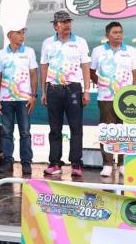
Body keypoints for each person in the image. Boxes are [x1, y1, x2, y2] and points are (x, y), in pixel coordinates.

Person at [40, 11, 91, 177]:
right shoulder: (47, 43)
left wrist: (86, 91)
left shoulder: (80, 42)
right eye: (63, 22)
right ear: (55, 25)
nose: (67, 25)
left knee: (76, 128)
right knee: (55, 129)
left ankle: (76, 164)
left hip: (73, 89)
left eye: (69, 21)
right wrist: (43, 91)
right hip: (53, 89)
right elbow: (44, 67)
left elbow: (85, 66)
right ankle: (55, 163)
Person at [90, 21, 136, 177]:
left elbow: (135, 73)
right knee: (107, 130)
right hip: (106, 97)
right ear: (107, 35)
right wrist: (102, 85)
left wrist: (132, 92)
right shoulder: (98, 51)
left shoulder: (131, 51)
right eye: (115, 33)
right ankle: (108, 164)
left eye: (120, 32)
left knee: (124, 130)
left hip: (126, 98)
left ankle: (123, 163)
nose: (118, 35)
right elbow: (91, 72)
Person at [0, 27, 38, 175]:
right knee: (7, 132)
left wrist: (33, 95)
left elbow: (33, 74)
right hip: (6, 99)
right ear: (10, 35)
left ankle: (26, 162)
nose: (21, 36)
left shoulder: (29, 52)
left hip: (24, 99)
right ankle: (8, 161)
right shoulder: (1, 54)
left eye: (23, 33)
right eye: (18, 33)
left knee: (25, 132)